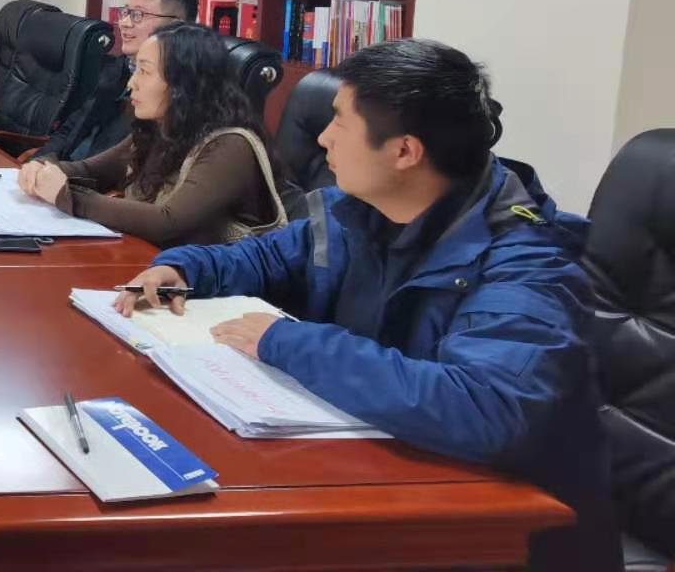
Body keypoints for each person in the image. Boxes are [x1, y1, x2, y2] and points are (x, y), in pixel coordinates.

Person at [116, 39, 617, 572]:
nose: (323, 138)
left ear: (404, 152)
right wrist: (185, 269)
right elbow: (268, 256)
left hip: (499, 535)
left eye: (339, 122)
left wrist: (289, 343)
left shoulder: (527, 262)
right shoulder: (361, 210)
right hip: (384, 478)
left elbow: (487, 408)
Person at [16, 22, 286, 246]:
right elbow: (89, 170)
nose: (131, 83)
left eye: (144, 71)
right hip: (154, 267)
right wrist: (43, 168)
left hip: (217, 287)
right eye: (135, 69)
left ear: (184, 83)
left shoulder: (230, 145)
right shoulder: (161, 127)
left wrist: (69, 197)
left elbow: (167, 222)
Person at [42, 0, 198, 161]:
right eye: (125, 12)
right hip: (63, 170)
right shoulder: (118, 68)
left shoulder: (176, 93)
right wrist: (36, 163)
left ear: (176, 26)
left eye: (138, 15)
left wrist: (63, 175)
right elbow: (69, 130)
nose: (123, 23)